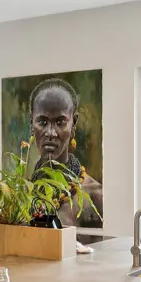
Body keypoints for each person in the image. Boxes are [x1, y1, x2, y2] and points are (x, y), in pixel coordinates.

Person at [26, 78, 104, 229]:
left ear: (73, 123)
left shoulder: (95, 196)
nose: (50, 133)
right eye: (42, 122)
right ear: (31, 123)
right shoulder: (20, 193)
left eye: (60, 122)